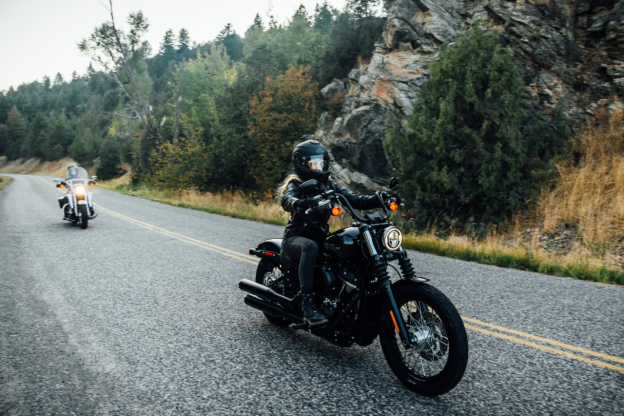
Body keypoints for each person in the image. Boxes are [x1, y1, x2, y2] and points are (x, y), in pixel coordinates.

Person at [280, 140, 392, 327]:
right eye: (314, 164)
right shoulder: (296, 184)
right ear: (301, 164)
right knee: (310, 246)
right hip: (295, 240)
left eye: (322, 163)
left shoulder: (329, 185)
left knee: (350, 247)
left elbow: (355, 199)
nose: (319, 167)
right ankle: (308, 305)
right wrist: (297, 203)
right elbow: (286, 199)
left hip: (321, 238)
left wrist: (380, 199)